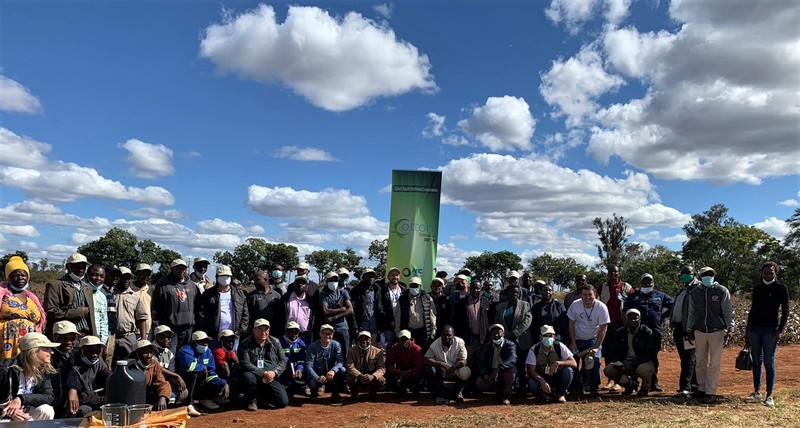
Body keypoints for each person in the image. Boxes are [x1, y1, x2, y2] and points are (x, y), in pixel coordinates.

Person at [686, 266, 733, 404]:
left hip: (716, 331)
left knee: (714, 363)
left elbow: (728, 310)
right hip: (699, 331)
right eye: (705, 274)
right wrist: (689, 329)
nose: (708, 276)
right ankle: (701, 388)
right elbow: (692, 312)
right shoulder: (694, 292)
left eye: (710, 274)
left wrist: (730, 328)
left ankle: (711, 391)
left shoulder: (721, 291)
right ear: (700, 276)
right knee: (700, 362)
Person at [745, 261, 790, 408]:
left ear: (776, 273)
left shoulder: (781, 288)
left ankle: (769, 395)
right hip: (754, 329)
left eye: (771, 272)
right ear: (761, 274)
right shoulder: (757, 289)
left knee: (769, 362)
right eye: (765, 272)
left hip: (771, 330)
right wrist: (747, 331)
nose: (768, 275)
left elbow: (785, 311)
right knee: (756, 361)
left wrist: (779, 330)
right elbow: (752, 310)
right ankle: (757, 392)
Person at [624, 273, 674, 392]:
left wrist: (662, 317)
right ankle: (634, 383)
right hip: (637, 332)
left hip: (654, 332)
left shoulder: (660, 295)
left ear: (653, 283)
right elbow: (625, 310)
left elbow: (673, 305)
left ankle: (653, 383)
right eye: (645, 282)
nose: (647, 284)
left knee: (653, 357)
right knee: (634, 355)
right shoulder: (633, 296)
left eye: (649, 282)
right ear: (640, 283)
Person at [0, 332, 59, 421]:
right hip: (5, 416)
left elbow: (48, 396)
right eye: (47, 348)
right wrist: (8, 411)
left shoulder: (42, 370)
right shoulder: (6, 369)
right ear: (34, 351)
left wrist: (21, 398)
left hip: (26, 414)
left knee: (47, 410)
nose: (52, 352)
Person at [604, 309, 659, 397]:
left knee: (643, 370)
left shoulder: (647, 332)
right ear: (626, 319)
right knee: (609, 370)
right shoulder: (620, 332)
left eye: (635, 318)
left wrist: (633, 362)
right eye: (630, 318)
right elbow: (614, 351)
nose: (633, 320)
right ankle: (630, 385)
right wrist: (620, 362)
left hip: (642, 362)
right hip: (625, 362)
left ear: (640, 319)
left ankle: (645, 388)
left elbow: (650, 354)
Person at [567, 284, 610, 396]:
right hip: (577, 339)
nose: (587, 297)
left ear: (594, 294)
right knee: (573, 361)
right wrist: (573, 342)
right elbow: (571, 324)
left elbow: (603, 329)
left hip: (593, 339)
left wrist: (596, 347)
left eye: (590, 294)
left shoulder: (601, 307)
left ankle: (594, 387)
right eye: (584, 295)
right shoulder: (575, 305)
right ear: (581, 295)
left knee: (594, 360)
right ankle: (577, 387)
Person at [237, 318, 288, 411]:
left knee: (283, 402)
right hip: (254, 374)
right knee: (248, 378)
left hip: (271, 375)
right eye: (260, 329)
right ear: (254, 330)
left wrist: (274, 372)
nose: (263, 332)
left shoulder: (275, 341)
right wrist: (264, 373)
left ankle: (262, 398)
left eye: (266, 329)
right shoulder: (245, 344)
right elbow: (246, 364)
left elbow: (283, 360)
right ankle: (252, 400)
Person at [1, 256, 46, 359]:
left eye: (23, 275)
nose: (20, 278)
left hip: (30, 343)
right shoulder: (2, 294)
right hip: (6, 342)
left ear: (28, 277)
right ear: (8, 278)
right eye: (15, 275)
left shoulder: (32, 298)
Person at [175, 330, 229, 415]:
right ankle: (189, 404)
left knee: (218, 381)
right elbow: (189, 367)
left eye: (206, 341)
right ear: (194, 342)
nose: (205, 344)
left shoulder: (208, 351)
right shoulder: (185, 351)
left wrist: (223, 383)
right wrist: (203, 368)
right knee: (194, 374)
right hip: (184, 381)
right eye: (202, 341)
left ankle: (205, 399)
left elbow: (211, 371)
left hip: (201, 380)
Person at [453, 280, 493, 393]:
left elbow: (489, 321)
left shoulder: (486, 302)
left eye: (478, 288)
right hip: (467, 340)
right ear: (469, 288)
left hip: (482, 339)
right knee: (467, 364)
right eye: (474, 288)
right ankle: (463, 388)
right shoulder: (461, 303)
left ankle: (476, 388)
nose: (476, 290)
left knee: (479, 364)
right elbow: (456, 321)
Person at [44, 253, 96, 338]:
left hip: (84, 336)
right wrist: (78, 312)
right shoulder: (55, 285)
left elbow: (91, 318)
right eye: (77, 267)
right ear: (68, 267)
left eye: (83, 267)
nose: (81, 270)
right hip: (64, 337)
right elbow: (51, 313)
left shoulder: (87, 288)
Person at [598, 265, 633, 391]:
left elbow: (633, 304)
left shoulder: (626, 287)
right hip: (607, 325)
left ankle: (620, 380)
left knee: (620, 352)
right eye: (611, 272)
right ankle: (610, 379)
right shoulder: (603, 287)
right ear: (608, 274)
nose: (613, 274)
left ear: (619, 273)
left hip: (622, 325)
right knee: (607, 352)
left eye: (615, 272)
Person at [153, 259, 198, 355]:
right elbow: (156, 307)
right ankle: (169, 370)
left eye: (183, 268)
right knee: (169, 356)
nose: (181, 270)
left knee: (185, 356)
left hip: (188, 329)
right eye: (178, 268)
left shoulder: (192, 285)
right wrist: (157, 325)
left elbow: (198, 306)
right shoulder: (163, 283)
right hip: (170, 329)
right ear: (172, 269)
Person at [493, 284, 532, 394]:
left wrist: (515, 333)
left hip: (521, 340)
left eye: (517, 293)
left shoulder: (526, 305)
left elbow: (527, 321)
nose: (515, 294)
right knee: (508, 364)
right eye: (512, 292)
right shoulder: (500, 307)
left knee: (521, 365)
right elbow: (497, 322)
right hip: (506, 340)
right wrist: (504, 334)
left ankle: (522, 388)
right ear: (507, 294)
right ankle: (507, 388)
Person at [196, 264, 249, 341]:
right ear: (217, 277)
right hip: (214, 336)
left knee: (233, 353)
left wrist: (241, 331)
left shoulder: (239, 294)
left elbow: (245, 314)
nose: (225, 278)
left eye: (227, 276)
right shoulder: (208, 294)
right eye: (222, 276)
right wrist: (207, 331)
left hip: (234, 336)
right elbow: (201, 314)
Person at [526, 325, 576, 403]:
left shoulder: (559, 346)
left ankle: (561, 394)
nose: (548, 338)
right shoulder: (534, 349)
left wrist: (559, 363)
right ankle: (542, 395)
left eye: (550, 336)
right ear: (540, 337)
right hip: (542, 376)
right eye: (545, 336)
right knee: (532, 383)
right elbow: (531, 371)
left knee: (568, 371)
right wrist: (542, 381)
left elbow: (574, 363)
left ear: (554, 337)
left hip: (556, 375)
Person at [65, 336, 111, 417]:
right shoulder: (73, 365)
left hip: (94, 398)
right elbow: (80, 396)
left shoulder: (98, 360)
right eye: (90, 351)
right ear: (81, 350)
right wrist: (104, 399)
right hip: (80, 402)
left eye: (98, 351)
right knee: (84, 411)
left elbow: (109, 376)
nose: (94, 355)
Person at [423, 325, 470, 405]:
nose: (447, 337)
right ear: (441, 335)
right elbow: (426, 359)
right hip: (441, 369)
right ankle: (437, 391)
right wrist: (442, 364)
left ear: (453, 335)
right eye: (444, 335)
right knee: (429, 370)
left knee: (466, 371)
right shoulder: (435, 344)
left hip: (455, 368)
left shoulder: (460, 342)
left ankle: (457, 391)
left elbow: (464, 361)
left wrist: (453, 367)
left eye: (449, 335)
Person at [671, 265, 699, 397]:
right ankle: (693, 385)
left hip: (688, 330)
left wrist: (691, 329)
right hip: (678, 329)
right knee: (685, 358)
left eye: (688, 273)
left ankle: (686, 387)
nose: (684, 275)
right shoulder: (683, 289)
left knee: (689, 358)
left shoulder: (697, 288)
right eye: (683, 273)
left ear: (695, 274)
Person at [111, 267, 148, 363]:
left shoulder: (135, 296)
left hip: (128, 336)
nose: (126, 280)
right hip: (112, 336)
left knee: (131, 363)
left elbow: (142, 318)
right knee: (110, 363)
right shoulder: (109, 293)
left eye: (128, 278)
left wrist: (143, 339)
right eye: (123, 277)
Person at [476, 324, 517, 405]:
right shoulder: (487, 346)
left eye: (498, 333)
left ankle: (507, 396)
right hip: (492, 375)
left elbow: (512, 359)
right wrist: (485, 374)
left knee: (511, 370)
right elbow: (482, 363)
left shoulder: (510, 345)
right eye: (493, 333)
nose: (496, 335)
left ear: (503, 334)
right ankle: (498, 392)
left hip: (504, 372)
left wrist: (499, 369)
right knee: (479, 382)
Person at [305, 324, 345, 403]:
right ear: (320, 334)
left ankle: (335, 393)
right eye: (324, 333)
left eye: (329, 334)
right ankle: (313, 393)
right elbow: (308, 365)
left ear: (332, 335)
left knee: (342, 370)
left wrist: (333, 370)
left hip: (330, 374)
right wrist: (317, 377)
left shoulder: (336, 345)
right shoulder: (312, 347)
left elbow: (340, 362)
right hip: (317, 373)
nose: (327, 336)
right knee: (312, 380)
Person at [319, 272, 354, 356]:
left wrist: (334, 316)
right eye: (331, 280)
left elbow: (350, 309)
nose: (333, 281)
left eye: (335, 280)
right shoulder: (323, 294)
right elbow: (325, 311)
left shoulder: (343, 292)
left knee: (345, 352)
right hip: (329, 328)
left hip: (343, 327)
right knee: (330, 352)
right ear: (327, 281)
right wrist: (341, 309)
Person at [399, 277, 436, 353]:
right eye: (412, 285)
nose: (414, 287)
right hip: (409, 331)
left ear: (420, 286)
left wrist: (433, 331)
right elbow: (398, 316)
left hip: (423, 331)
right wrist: (397, 332)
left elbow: (432, 316)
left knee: (423, 352)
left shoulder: (427, 298)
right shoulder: (403, 298)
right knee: (409, 352)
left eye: (416, 285)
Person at [152, 325, 187, 404]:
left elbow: (171, 371)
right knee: (169, 396)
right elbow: (157, 368)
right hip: (154, 383)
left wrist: (178, 385)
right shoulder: (151, 350)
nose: (166, 339)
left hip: (165, 382)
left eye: (168, 337)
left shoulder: (168, 353)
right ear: (156, 337)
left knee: (184, 392)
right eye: (163, 337)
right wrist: (176, 376)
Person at [345, 331, 386, 400]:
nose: (364, 341)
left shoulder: (378, 352)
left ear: (370, 340)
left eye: (366, 339)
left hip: (371, 377)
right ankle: (354, 392)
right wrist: (360, 376)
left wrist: (373, 376)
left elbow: (381, 368)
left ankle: (373, 391)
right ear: (358, 340)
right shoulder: (351, 351)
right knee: (349, 377)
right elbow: (349, 366)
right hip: (358, 377)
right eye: (361, 339)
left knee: (381, 379)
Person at [133, 339, 172, 410]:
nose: (149, 356)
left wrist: (163, 396)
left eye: (151, 352)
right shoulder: (129, 366)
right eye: (145, 353)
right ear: (137, 353)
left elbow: (161, 382)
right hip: (133, 399)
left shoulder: (154, 364)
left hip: (148, 396)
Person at [50, 320, 79, 412]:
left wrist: (73, 389)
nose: (69, 342)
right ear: (55, 337)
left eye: (72, 338)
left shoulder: (73, 354)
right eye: (64, 338)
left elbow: (73, 372)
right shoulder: (49, 356)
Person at [385, 329, 423, 397]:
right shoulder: (394, 348)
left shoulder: (417, 349)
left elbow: (418, 366)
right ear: (398, 340)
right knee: (388, 373)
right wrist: (398, 372)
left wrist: (409, 373)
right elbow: (389, 364)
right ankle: (397, 389)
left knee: (419, 374)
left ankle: (415, 389)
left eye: (406, 339)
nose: (404, 341)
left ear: (410, 339)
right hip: (400, 372)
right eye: (401, 339)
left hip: (412, 372)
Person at [247, 270, 283, 335]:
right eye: (254, 280)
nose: (254, 282)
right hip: (257, 334)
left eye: (257, 280)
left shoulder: (277, 296)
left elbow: (280, 316)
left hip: (273, 333)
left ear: (266, 279)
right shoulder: (251, 296)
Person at [282, 276, 316, 345]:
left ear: (306, 286)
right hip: (289, 334)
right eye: (298, 283)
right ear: (294, 285)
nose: (300, 285)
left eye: (303, 283)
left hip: (304, 335)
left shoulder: (310, 301)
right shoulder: (286, 299)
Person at [278, 321, 308, 397]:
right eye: (291, 331)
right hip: (283, 368)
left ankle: (302, 388)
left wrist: (299, 369)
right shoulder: (278, 342)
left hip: (295, 368)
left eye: (296, 332)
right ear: (286, 331)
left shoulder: (301, 343)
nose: (294, 334)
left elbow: (301, 359)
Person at [99, 265, 121, 367]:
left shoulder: (112, 291)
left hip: (111, 331)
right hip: (102, 331)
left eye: (117, 276)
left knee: (109, 358)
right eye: (113, 275)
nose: (115, 278)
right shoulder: (100, 290)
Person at [351, 270, 381, 343]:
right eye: (368, 276)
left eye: (372, 276)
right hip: (361, 326)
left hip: (374, 326)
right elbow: (352, 310)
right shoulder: (355, 290)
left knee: (373, 350)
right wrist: (355, 327)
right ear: (363, 277)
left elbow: (380, 308)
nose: (370, 278)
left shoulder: (377, 290)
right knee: (361, 349)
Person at [378, 267, 405, 349]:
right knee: (390, 349)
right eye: (392, 275)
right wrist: (390, 321)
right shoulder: (382, 291)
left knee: (403, 348)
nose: (395, 277)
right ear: (388, 277)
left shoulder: (404, 290)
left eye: (397, 275)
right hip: (389, 326)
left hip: (402, 325)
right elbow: (380, 308)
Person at [86, 265, 109, 348]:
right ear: (87, 276)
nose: (98, 278)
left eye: (102, 276)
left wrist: (102, 340)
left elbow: (104, 320)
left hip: (98, 339)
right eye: (95, 275)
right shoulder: (81, 293)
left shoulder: (102, 296)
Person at [132, 263, 155, 338]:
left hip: (149, 331)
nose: (145, 276)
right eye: (143, 273)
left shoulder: (151, 291)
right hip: (133, 332)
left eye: (148, 274)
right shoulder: (129, 290)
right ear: (136, 274)